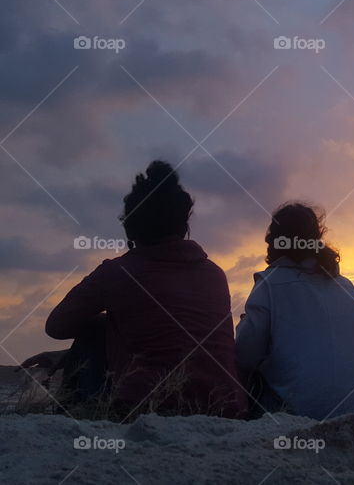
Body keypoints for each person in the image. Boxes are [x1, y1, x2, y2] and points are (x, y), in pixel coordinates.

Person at [24, 161, 247, 418]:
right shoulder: (215, 274)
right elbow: (174, 342)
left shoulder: (117, 273)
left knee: (94, 326)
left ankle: (72, 421)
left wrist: (107, 322)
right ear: (183, 224)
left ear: (130, 227)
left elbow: (56, 326)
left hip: (147, 407)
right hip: (225, 409)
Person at [235, 202, 354, 419]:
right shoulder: (347, 286)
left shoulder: (270, 284)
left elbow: (244, 357)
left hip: (297, 416)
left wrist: (244, 325)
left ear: (274, 241)